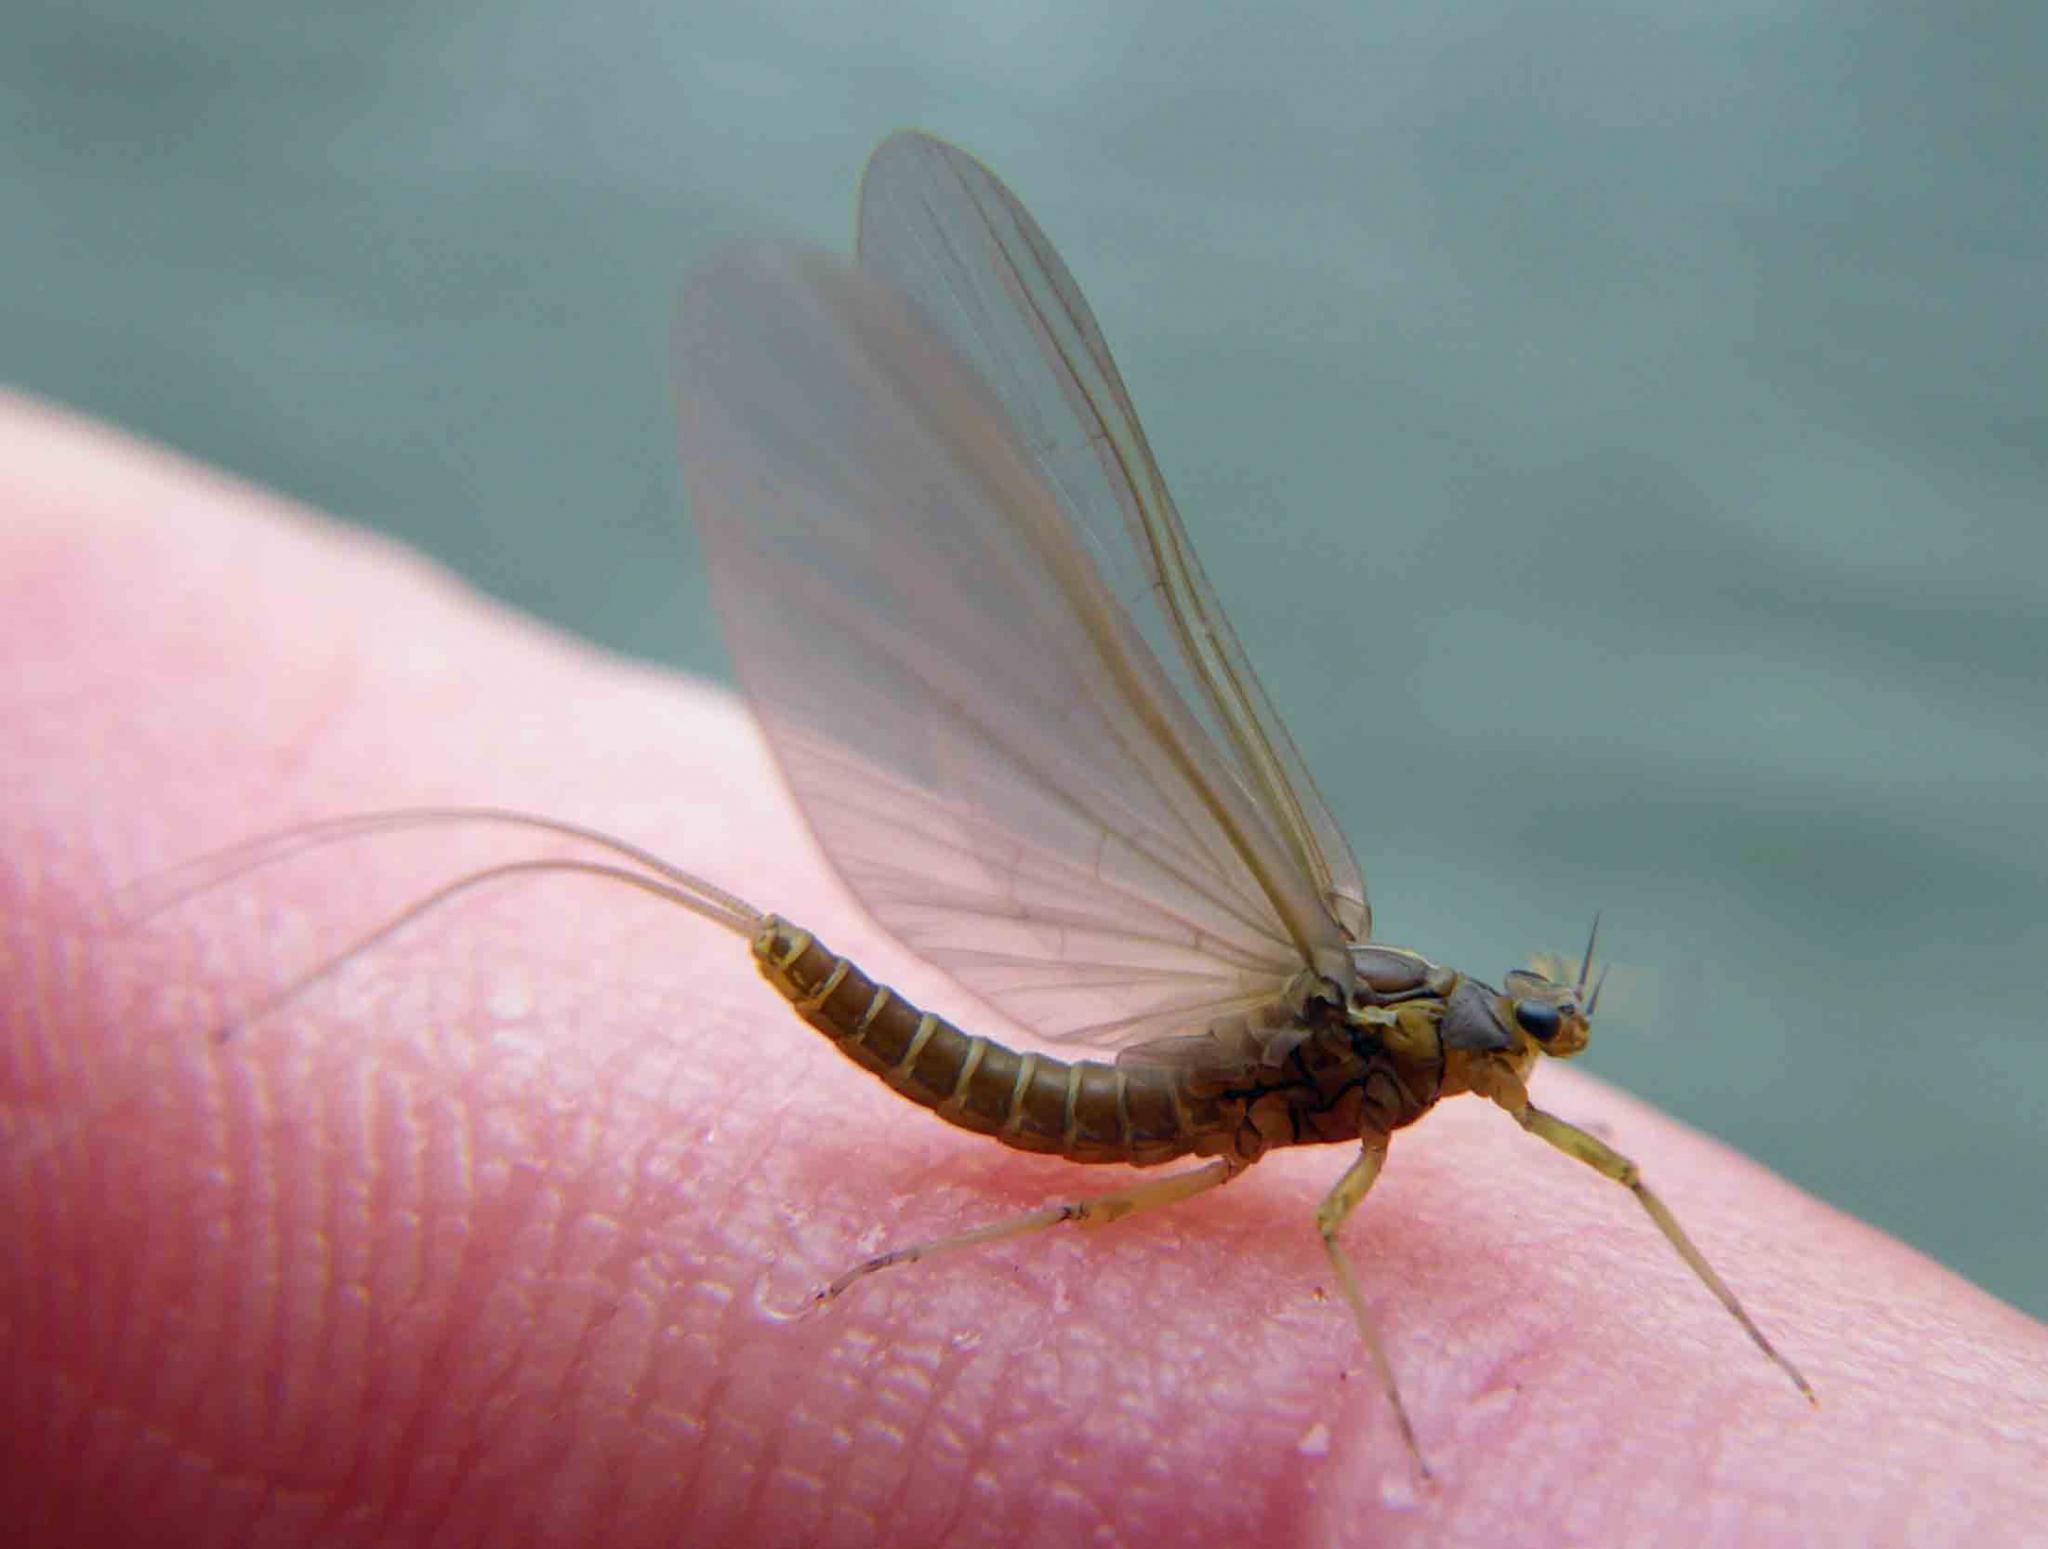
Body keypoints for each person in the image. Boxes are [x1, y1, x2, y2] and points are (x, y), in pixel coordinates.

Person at [6, 393, 2043, 1547]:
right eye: (1525, 1031)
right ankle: (919, 1259)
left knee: (1115, 1178)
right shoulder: (1356, 1077)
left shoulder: (1382, 1032)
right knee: (1086, 1179)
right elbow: (1321, 1244)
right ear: (1478, 1044)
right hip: (1043, 1090)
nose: (1529, 1047)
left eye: (1530, 1025)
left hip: (1130, 1088)